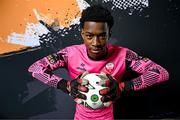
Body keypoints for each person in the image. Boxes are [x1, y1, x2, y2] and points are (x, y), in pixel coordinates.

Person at [28, 5, 169, 120]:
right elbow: (35, 68)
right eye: (89, 36)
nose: (96, 43)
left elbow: (161, 73)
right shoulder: (69, 54)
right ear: (82, 33)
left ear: (109, 35)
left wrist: (123, 87)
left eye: (102, 36)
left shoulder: (124, 55)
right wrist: (66, 85)